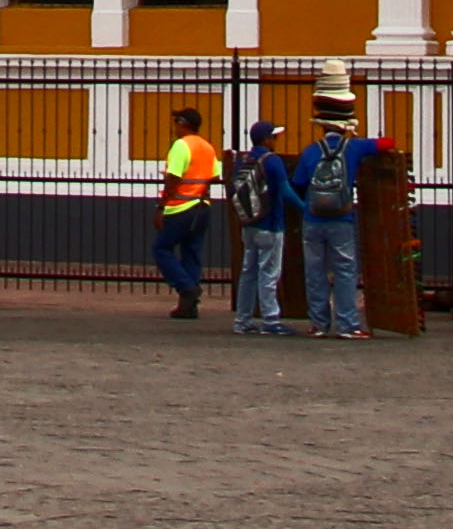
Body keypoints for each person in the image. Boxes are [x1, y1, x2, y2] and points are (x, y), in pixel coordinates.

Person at [296, 87, 372, 341]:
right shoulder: (354, 147)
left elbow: (299, 183)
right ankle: (347, 324)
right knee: (345, 270)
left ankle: (318, 324)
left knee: (315, 272)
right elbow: (386, 144)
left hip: (312, 218)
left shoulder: (310, 151)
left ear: (321, 127)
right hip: (342, 218)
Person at [228, 116, 293, 335]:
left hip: (250, 224)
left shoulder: (243, 161)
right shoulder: (272, 161)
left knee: (248, 272)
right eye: (274, 137)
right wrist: (304, 207)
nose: (276, 141)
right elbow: (285, 190)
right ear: (266, 140)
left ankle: (242, 320)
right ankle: (270, 320)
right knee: (269, 272)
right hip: (271, 224)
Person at [154, 114, 223, 319]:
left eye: (176, 123)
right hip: (202, 207)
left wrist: (161, 207)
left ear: (183, 124)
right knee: (191, 253)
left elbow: (174, 178)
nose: (174, 127)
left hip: (181, 208)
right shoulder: (207, 147)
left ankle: (187, 288)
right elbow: (215, 176)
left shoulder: (181, 146)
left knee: (161, 248)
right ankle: (188, 307)